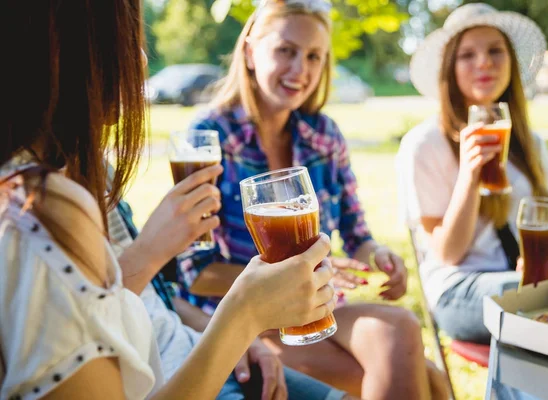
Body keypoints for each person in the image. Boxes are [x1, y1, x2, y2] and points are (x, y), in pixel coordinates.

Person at [0, 1, 340, 399]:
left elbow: (140, 308)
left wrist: (230, 332)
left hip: (191, 347)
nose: (141, 59)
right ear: (61, 47)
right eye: (125, 37)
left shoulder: (79, 174)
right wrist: (242, 316)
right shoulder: (40, 207)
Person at [175, 1, 448, 399]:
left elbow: (356, 235)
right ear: (250, 52)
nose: (300, 69)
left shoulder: (323, 135)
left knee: (401, 326)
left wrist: (379, 255)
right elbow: (195, 272)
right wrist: (292, 277)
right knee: (429, 380)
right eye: (286, 50)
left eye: (313, 56)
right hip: (240, 318)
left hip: (317, 310)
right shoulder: (209, 138)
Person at [395, 3, 548, 344]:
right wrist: (470, 176)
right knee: (537, 307)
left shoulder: (530, 143)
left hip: (522, 283)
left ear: (511, 63)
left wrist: (545, 267)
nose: (484, 62)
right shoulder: (424, 143)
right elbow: (447, 254)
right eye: (467, 55)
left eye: (495, 51)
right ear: (449, 68)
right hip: (458, 287)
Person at [108, 183, 347, 399]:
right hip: (176, 378)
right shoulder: (73, 202)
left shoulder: (103, 174)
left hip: (195, 345)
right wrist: (240, 320)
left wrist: (237, 338)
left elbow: (155, 299)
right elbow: (98, 317)